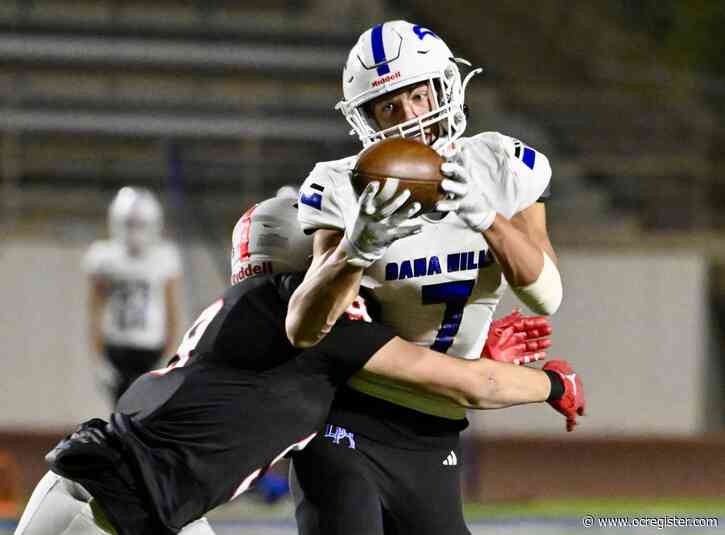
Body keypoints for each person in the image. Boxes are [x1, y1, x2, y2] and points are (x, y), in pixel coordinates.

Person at [15, 197, 583, 535]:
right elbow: (470, 385)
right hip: (103, 513)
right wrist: (553, 382)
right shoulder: (313, 323)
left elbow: (386, 384)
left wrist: (476, 352)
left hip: (141, 505)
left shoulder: (261, 315)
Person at [289, 20, 569, 535]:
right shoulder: (342, 186)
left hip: (435, 432)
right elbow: (305, 326)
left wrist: (488, 219)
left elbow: (546, 296)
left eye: (419, 96)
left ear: (445, 87)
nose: (411, 119)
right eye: (389, 107)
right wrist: (357, 246)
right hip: (346, 420)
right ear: (365, 119)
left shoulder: (499, 166)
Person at [82, 187, 182, 403]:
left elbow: (171, 313)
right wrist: (99, 360)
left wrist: (169, 356)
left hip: (151, 348)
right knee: (122, 416)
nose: (135, 232)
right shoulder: (104, 257)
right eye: (129, 224)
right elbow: (95, 312)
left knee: (149, 416)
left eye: (141, 225)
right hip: (116, 347)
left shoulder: (165, 257)